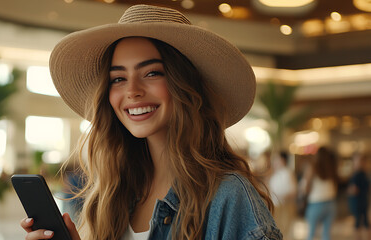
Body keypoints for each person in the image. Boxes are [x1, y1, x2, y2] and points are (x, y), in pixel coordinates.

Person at [20, 4, 282, 240]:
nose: (132, 90)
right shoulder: (115, 193)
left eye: (152, 73)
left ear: (185, 85)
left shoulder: (229, 197)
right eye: (118, 78)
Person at [299, 147, 338, 240]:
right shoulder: (332, 168)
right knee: (326, 235)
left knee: (311, 234)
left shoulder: (313, 167)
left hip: (316, 204)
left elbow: (306, 188)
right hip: (331, 203)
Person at [269, 151, 297, 239]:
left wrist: (281, 197)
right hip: (276, 206)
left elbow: (293, 191)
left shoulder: (287, 173)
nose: (274, 161)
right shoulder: (276, 173)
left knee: (284, 231)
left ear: (283, 160)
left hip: (284, 206)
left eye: (277, 159)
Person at [347, 153, 370, 240]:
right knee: (365, 222)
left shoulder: (356, 175)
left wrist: (349, 191)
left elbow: (354, 190)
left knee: (357, 223)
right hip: (364, 200)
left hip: (357, 202)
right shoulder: (365, 174)